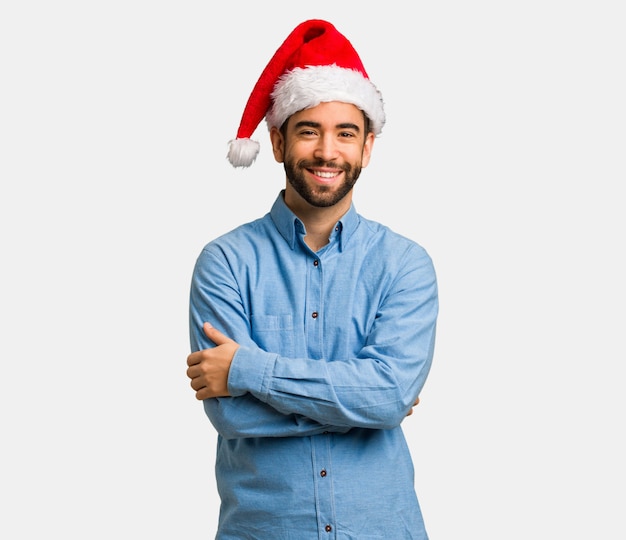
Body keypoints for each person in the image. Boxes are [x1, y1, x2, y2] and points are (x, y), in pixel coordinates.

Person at [186, 19, 439, 539]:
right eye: (309, 130)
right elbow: (233, 418)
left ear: (367, 147)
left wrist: (249, 370)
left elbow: (388, 397)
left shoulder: (405, 264)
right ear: (277, 143)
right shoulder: (225, 262)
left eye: (346, 133)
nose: (328, 151)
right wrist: (366, 404)